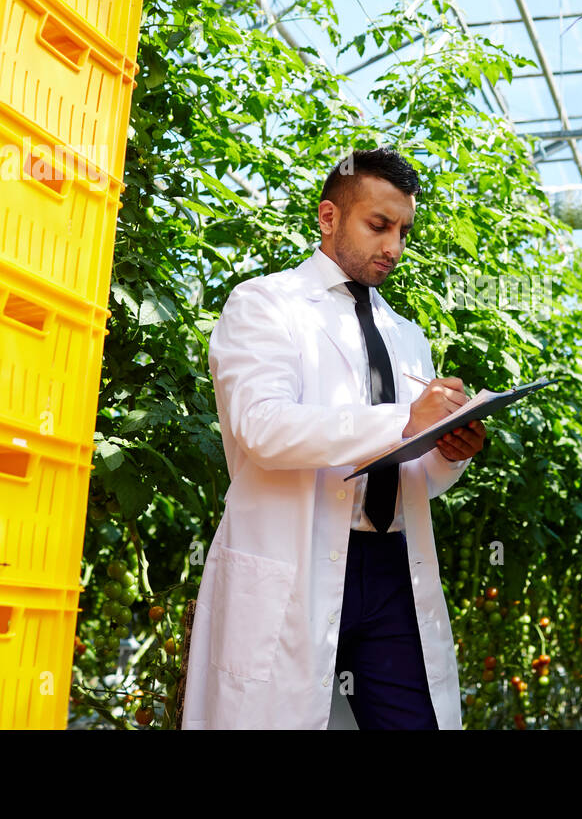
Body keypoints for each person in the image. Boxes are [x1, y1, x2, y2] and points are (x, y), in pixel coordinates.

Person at [181, 148, 485, 729]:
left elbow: (409, 471)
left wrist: (449, 449)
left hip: (392, 564)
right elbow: (263, 427)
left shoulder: (407, 336)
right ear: (328, 217)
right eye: (378, 226)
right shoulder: (265, 305)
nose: (393, 247)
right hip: (294, 560)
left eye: (403, 230)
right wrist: (404, 419)